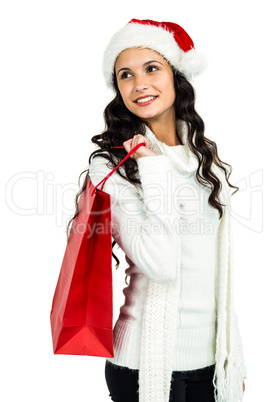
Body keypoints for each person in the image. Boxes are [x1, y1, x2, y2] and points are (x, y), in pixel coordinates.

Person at [67, 19, 247, 402]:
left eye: (152, 68)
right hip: (143, 366)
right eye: (125, 75)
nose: (139, 84)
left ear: (175, 75)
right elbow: (161, 265)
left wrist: (233, 357)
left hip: (212, 364)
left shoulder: (203, 158)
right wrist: (152, 166)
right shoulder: (111, 166)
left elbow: (216, 269)